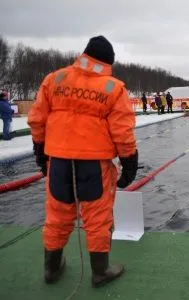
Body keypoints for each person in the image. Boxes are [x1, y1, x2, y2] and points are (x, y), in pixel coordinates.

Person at [27, 36, 138, 288]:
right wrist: (129, 162)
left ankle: (51, 269)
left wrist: (40, 153)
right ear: (108, 62)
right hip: (94, 165)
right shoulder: (113, 88)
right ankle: (100, 271)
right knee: (97, 218)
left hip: (58, 162)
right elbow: (122, 131)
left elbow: (37, 119)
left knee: (56, 216)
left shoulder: (54, 79)